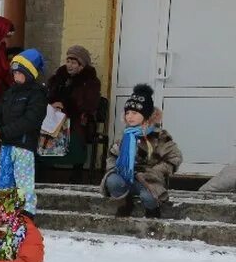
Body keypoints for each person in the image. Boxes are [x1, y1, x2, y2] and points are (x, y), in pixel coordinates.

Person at [100, 84, 182, 218]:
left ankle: (152, 211)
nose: (129, 117)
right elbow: (112, 155)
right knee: (112, 181)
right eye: (127, 113)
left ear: (146, 115)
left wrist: (155, 172)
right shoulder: (125, 135)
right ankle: (124, 204)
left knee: (148, 197)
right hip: (126, 178)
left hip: (149, 180)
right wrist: (116, 168)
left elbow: (175, 157)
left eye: (134, 113)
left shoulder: (159, 136)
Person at [0, 49, 48, 217]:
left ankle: (26, 213)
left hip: (23, 146)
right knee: (4, 180)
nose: (16, 76)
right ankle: (4, 212)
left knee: (24, 182)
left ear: (30, 73)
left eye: (20, 72)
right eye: (14, 72)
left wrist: (5, 131)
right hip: (6, 145)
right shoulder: (10, 92)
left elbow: (30, 120)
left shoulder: (37, 95)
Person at [46, 45, 102, 181]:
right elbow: (49, 95)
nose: (69, 65)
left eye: (73, 62)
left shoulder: (90, 82)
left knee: (76, 129)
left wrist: (64, 106)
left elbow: (89, 104)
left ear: (81, 65)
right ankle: (46, 167)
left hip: (78, 118)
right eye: (68, 61)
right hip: (56, 117)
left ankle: (77, 170)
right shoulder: (59, 78)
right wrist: (54, 104)